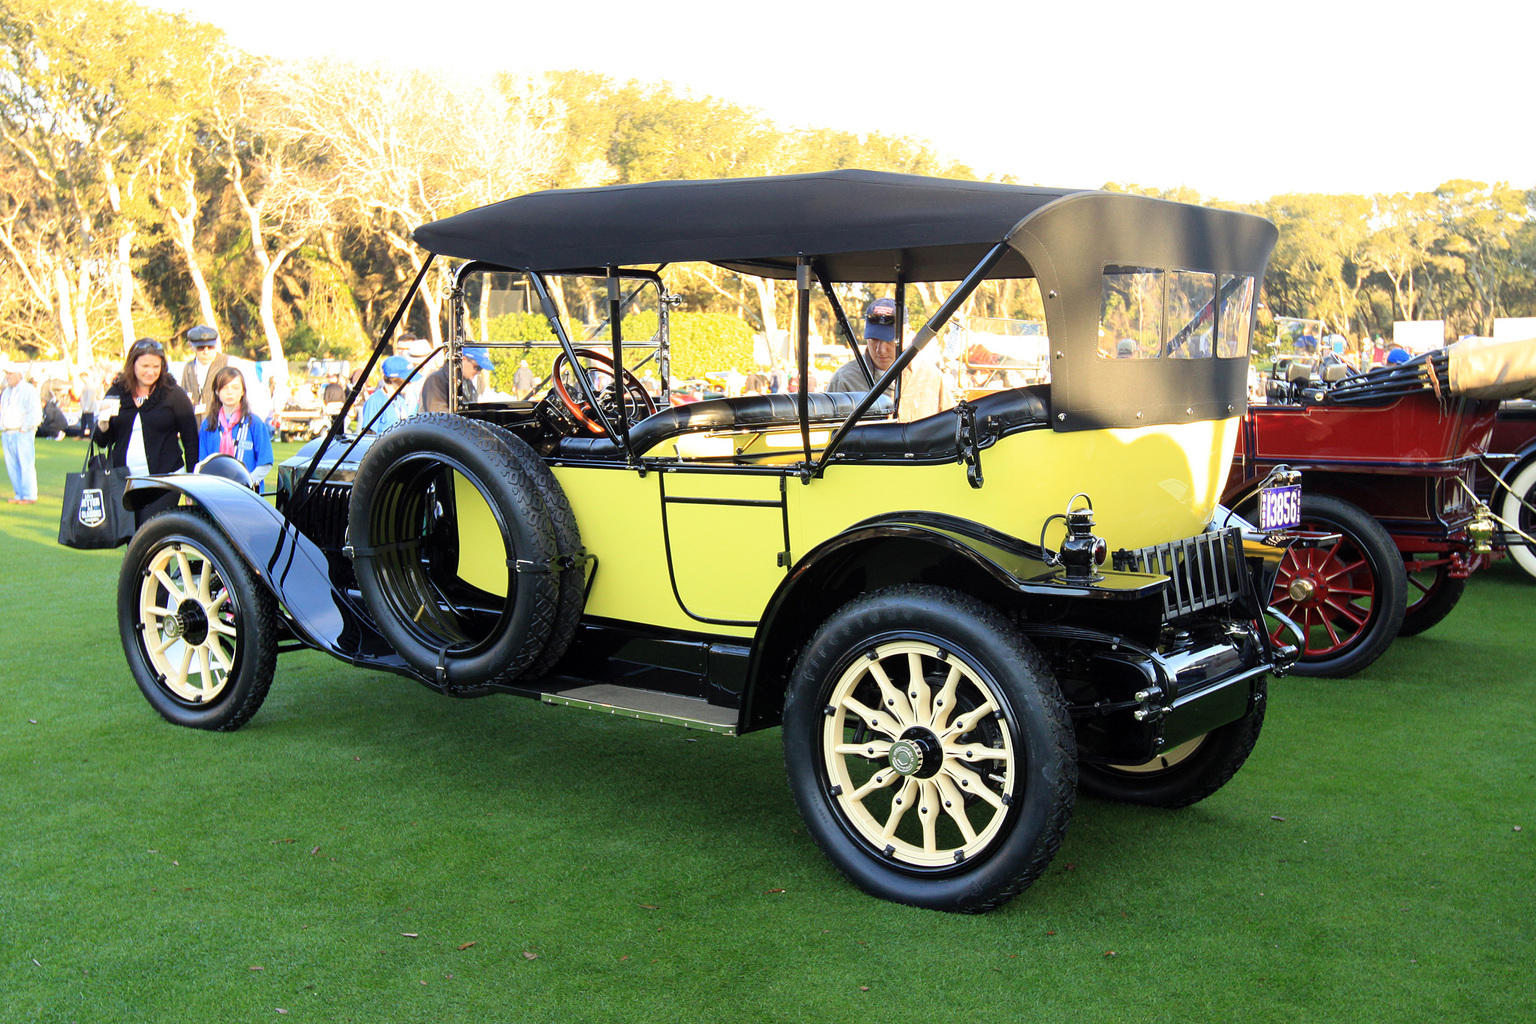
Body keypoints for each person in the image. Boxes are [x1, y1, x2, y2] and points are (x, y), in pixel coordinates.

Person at [95, 338, 199, 527]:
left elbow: (191, 440)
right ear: (132, 364)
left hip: (165, 480)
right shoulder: (117, 392)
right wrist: (102, 425)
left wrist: (192, 486)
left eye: (155, 366)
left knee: (152, 533)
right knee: (133, 541)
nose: (150, 372)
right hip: (126, 482)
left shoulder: (173, 394)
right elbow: (102, 441)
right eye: (145, 366)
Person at [826, 297, 955, 422]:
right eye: (874, 340)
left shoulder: (930, 375)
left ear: (908, 333)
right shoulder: (844, 379)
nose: (880, 350)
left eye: (889, 340)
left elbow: (951, 424)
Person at [197, 365, 275, 493]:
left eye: (235, 387)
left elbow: (265, 462)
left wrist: (247, 482)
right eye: (224, 387)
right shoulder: (208, 424)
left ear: (243, 391)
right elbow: (203, 463)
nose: (230, 392)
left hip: (247, 493)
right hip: (214, 492)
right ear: (217, 391)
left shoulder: (254, 423)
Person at [178, 324, 273, 426]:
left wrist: (248, 427)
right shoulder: (187, 368)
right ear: (190, 346)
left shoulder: (233, 363)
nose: (206, 351)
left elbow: (259, 398)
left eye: (211, 346)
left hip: (227, 430)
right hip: (197, 433)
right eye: (201, 347)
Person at [1, 360, 42, 503]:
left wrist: (25, 429)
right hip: (7, 432)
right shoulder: (6, 391)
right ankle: (19, 494)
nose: (8, 376)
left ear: (19, 375)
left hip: (22, 432)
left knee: (26, 464)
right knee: (12, 466)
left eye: (11, 374)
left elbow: (35, 413)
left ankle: (30, 495)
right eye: (7, 374)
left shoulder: (28, 390)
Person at [421, 347, 493, 413]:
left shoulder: (468, 384)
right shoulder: (436, 380)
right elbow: (439, 417)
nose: (479, 372)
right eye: (477, 368)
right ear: (463, 360)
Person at [359, 355, 416, 432]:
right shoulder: (375, 401)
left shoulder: (400, 401)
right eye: (407, 380)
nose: (411, 383)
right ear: (393, 379)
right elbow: (369, 435)